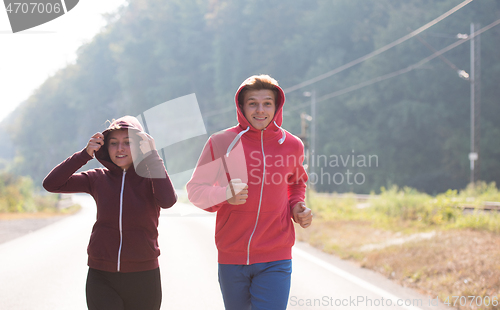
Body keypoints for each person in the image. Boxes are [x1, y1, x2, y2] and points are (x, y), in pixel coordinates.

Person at [186, 74, 313, 310]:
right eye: (252, 103)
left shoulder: (292, 145)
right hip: (232, 255)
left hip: (276, 255)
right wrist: (224, 194)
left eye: (267, 103)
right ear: (241, 107)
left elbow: (296, 183)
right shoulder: (222, 142)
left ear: (277, 107)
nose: (260, 110)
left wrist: (297, 207)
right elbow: (195, 190)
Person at [43, 116, 177, 310]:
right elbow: (51, 184)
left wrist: (152, 156)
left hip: (144, 276)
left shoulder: (151, 178)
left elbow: (168, 201)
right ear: (105, 147)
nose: (120, 148)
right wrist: (84, 155)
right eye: (113, 143)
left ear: (141, 146)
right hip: (101, 275)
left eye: (127, 142)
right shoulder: (97, 178)